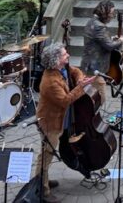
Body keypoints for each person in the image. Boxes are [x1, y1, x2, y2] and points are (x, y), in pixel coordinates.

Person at [37, 43, 97, 203]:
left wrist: (79, 79)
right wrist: (82, 87)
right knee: (46, 155)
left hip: (61, 120)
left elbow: (75, 71)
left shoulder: (61, 69)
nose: (68, 55)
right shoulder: (50, 81)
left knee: (47, 154)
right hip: (51, 123)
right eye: (64, 55)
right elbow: (65, 101)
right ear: (56, 60)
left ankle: (43, 180)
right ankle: (42, 190)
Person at [81, 0, 123, 99]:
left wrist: (111, 39)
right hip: (95, 69)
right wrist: (120, 41)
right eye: (111, 13)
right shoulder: (99, 26)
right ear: (105, 13)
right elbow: (108, 46)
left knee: (91, 99)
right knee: (100, 98)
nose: (112, 16)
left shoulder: (92, 21)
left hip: (88, 66)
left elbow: (100, 41)